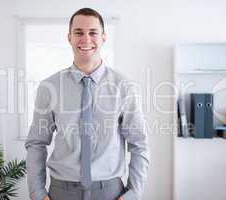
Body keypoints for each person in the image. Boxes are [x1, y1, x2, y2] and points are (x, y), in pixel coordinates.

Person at [25, 8, 150, 200]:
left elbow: (139, 144)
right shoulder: (49, 87)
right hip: (61, 192)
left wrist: (133, 194)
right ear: (69, 37)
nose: (86, 39)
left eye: (93, 32)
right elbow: (36, 143)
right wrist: (38, 193)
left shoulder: (125, 87)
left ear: (103, 37)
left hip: (110, 192)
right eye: (79, 32)